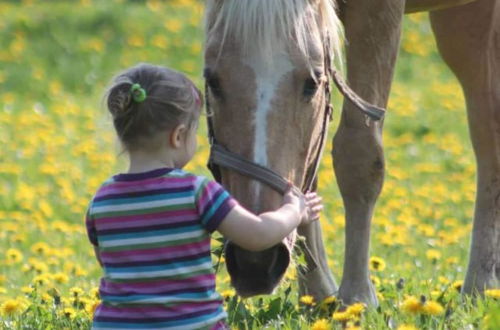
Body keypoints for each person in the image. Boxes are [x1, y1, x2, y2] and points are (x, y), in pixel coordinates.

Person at [85, 63, 323, 330]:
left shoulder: (102, 201)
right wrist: (294, 211)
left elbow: (110, 263)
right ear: (178, 136)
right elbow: (257, 236)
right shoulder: (196, 193)